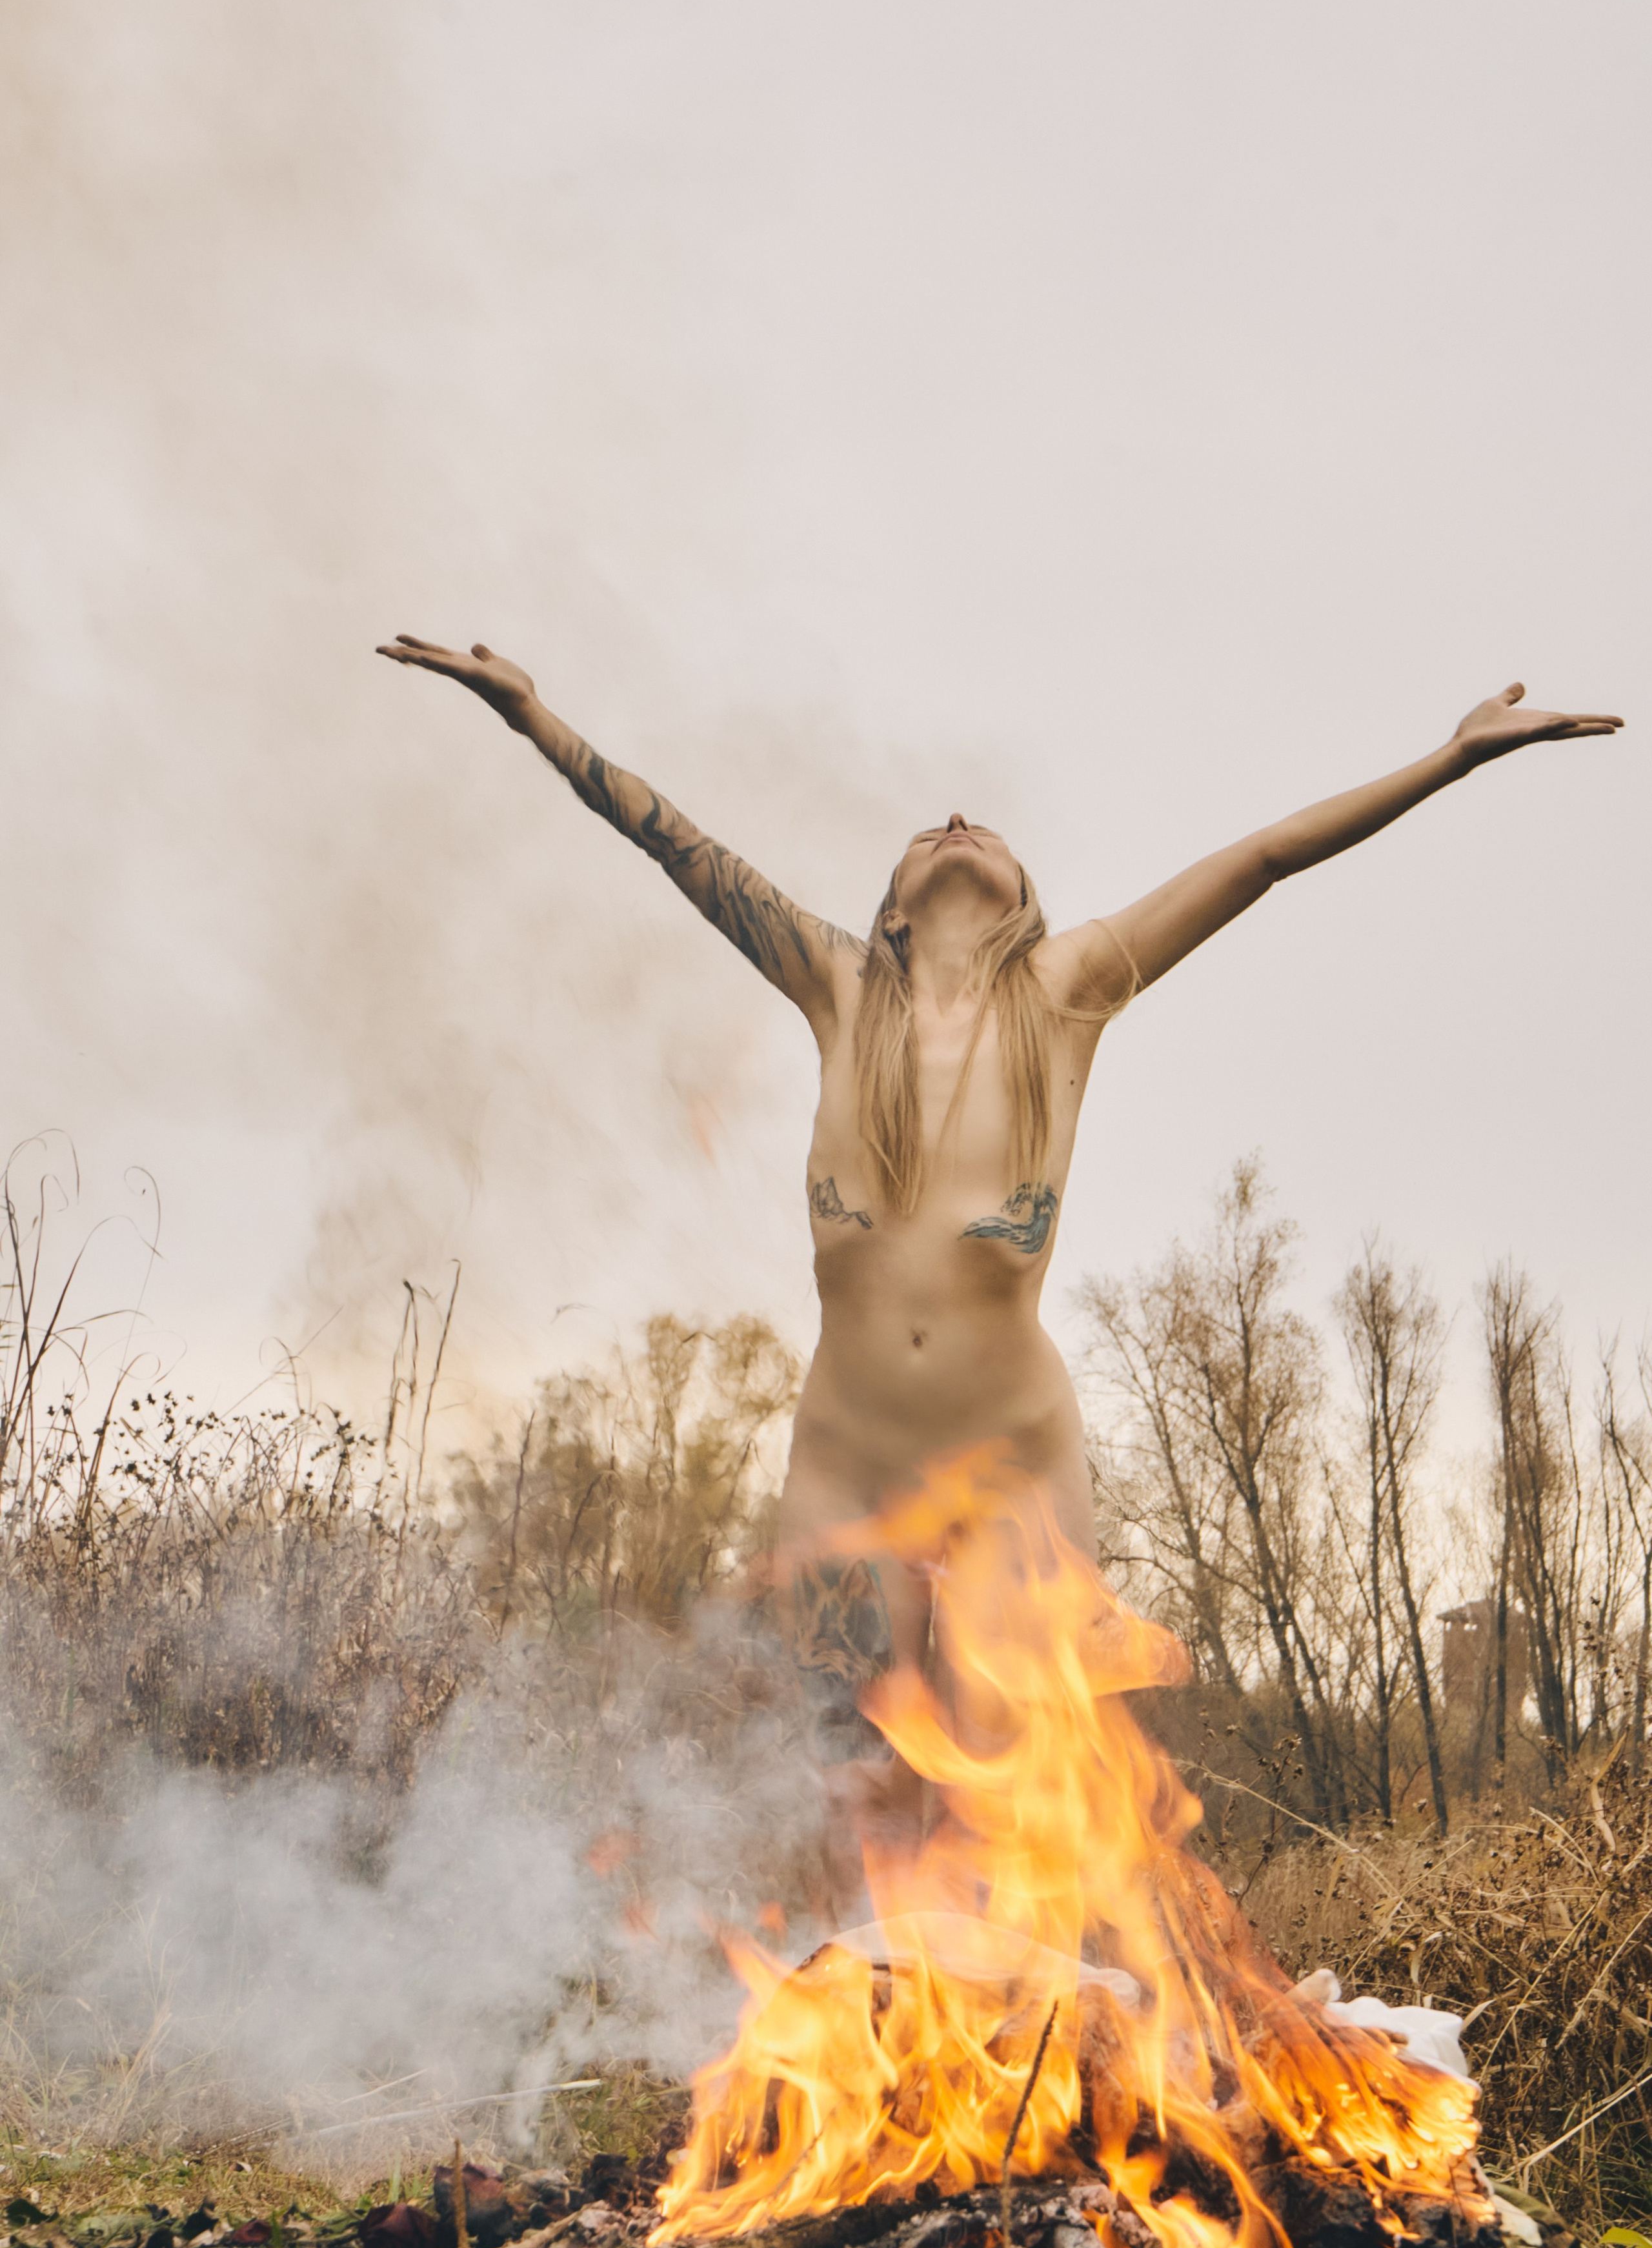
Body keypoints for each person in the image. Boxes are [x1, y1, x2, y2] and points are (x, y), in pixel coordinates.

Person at [378, 634, 1620, 1892]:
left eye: (982, 832)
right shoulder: (840, 986)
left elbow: (1261, 858)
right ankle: (858, 2002)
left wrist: (1448, 761)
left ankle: (1033, 1992)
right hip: (848, 1458)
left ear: (1021, 897)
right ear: (893, 907)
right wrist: (535, 718)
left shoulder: (1067, 991)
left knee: (1005, 1787)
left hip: (1013, 1458)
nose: (957, 820)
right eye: (928, 833)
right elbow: (681, 849)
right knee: (849, 1789)